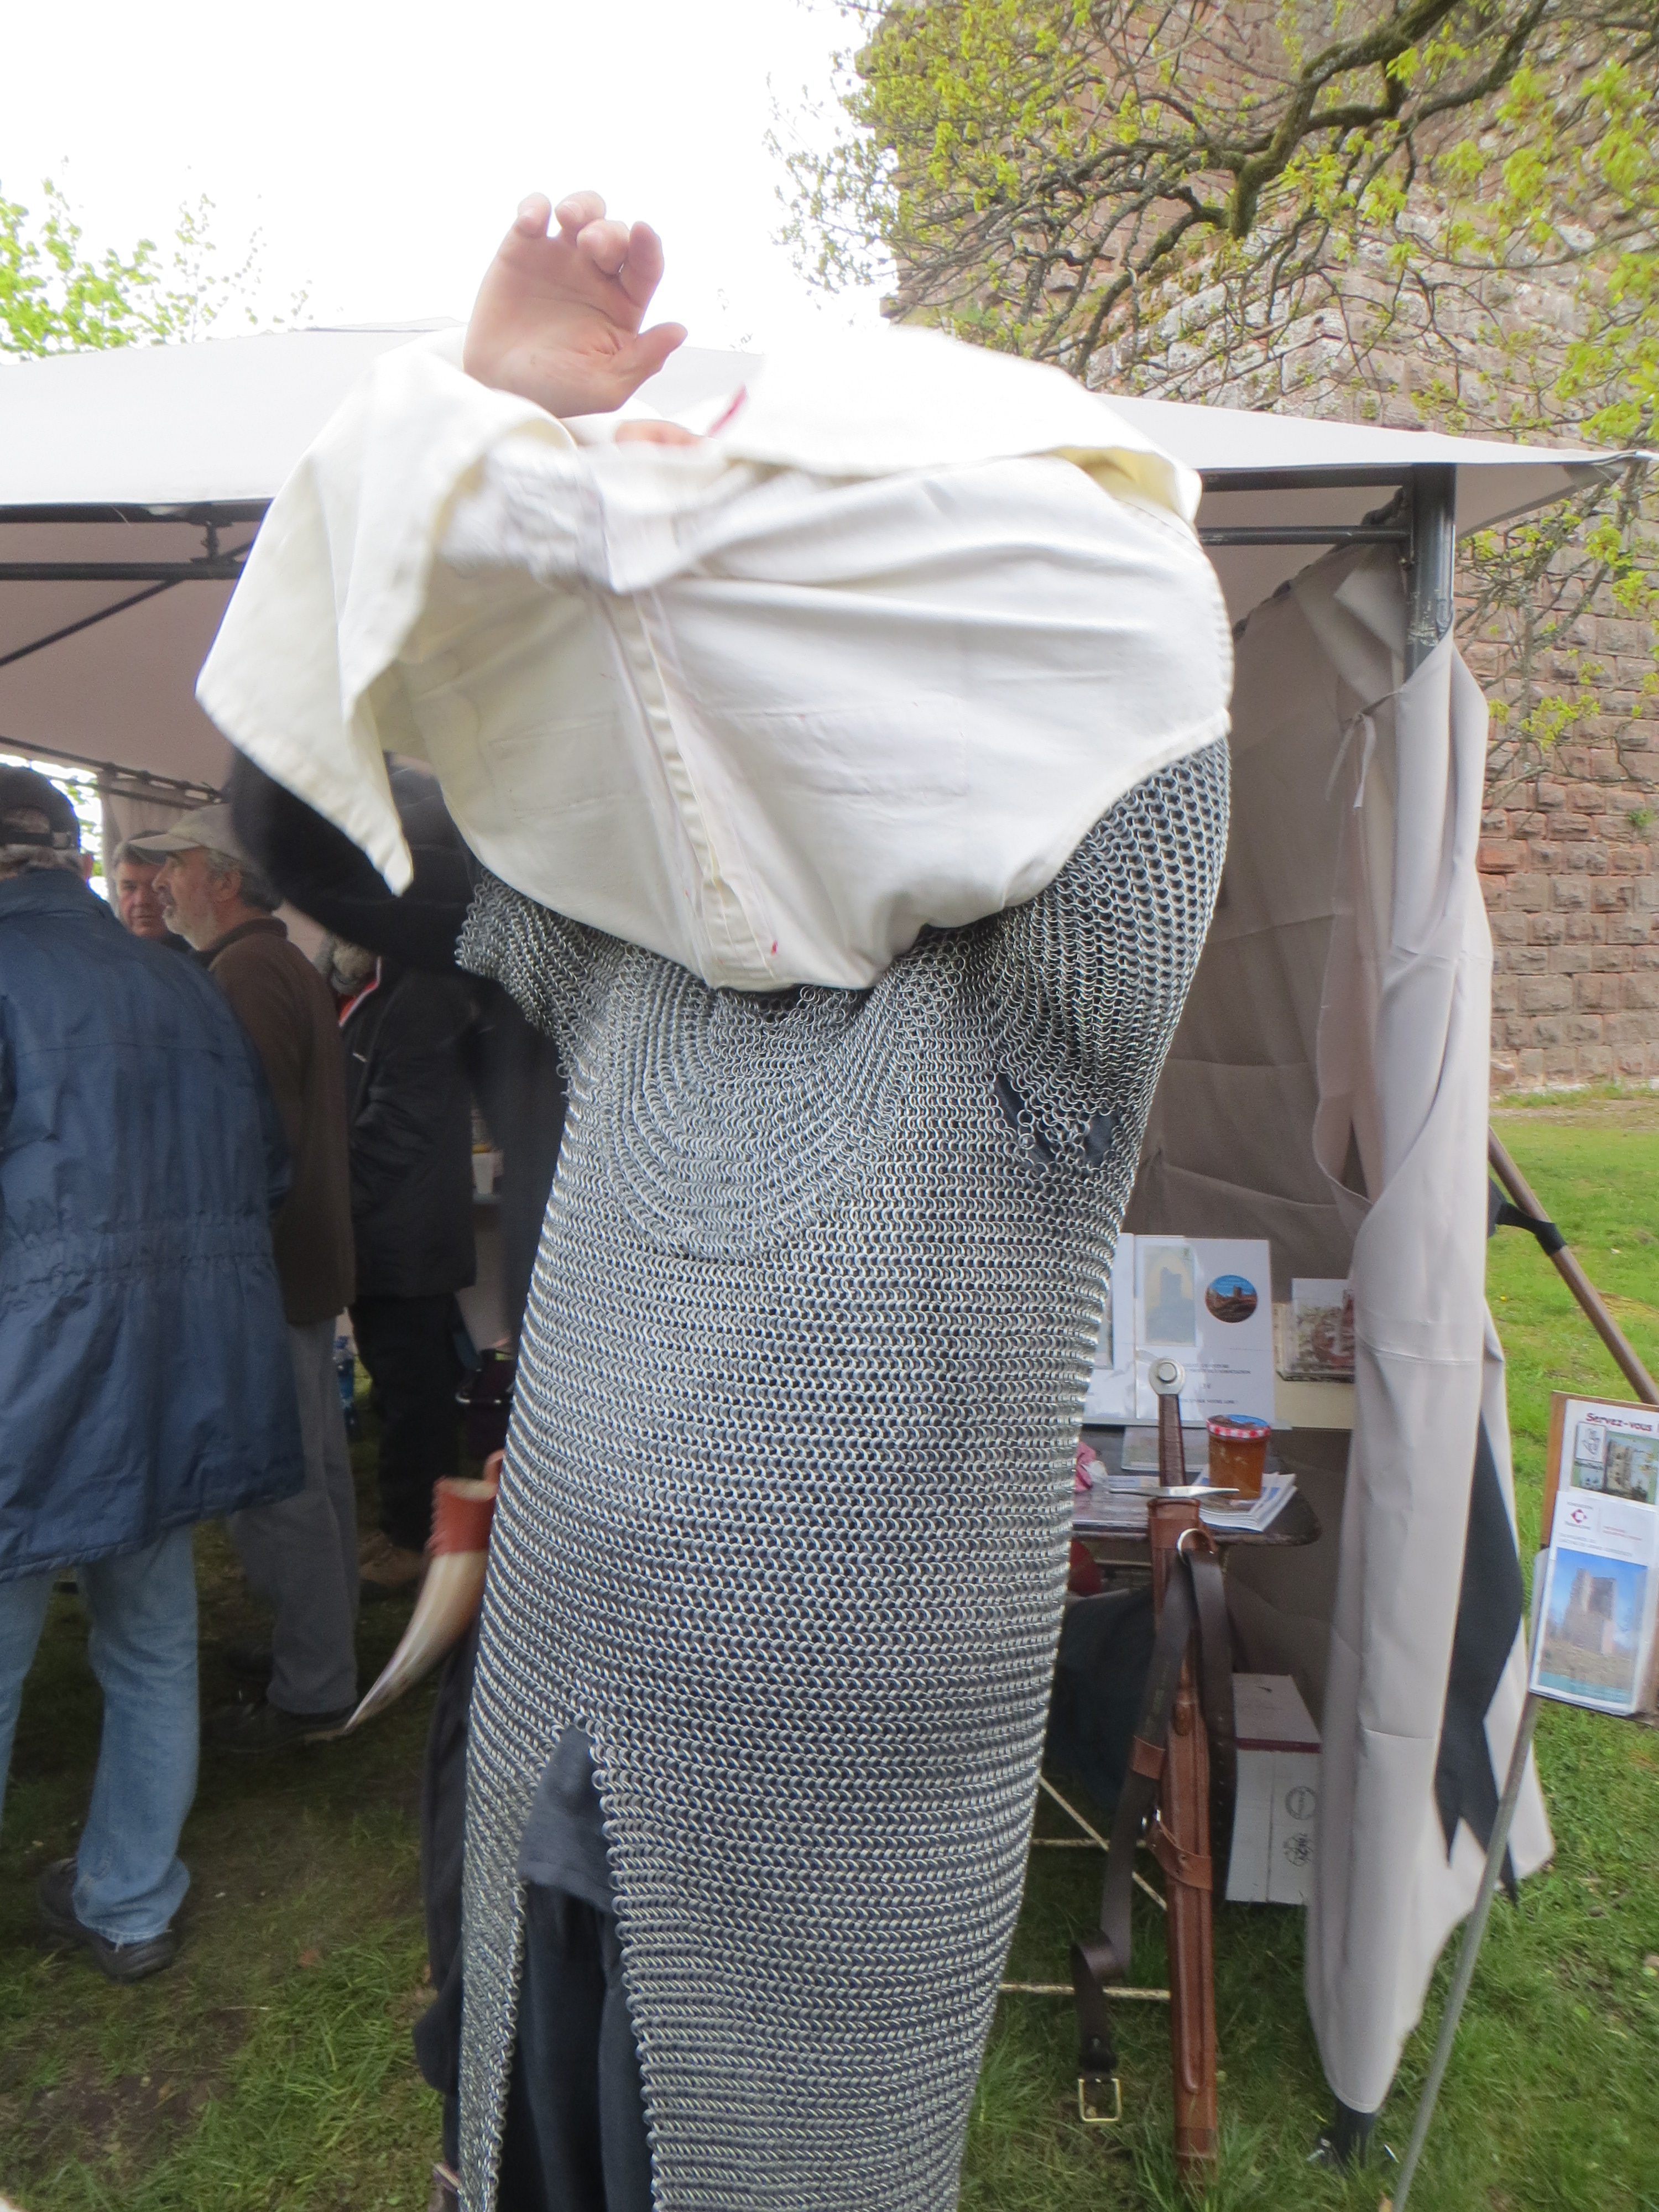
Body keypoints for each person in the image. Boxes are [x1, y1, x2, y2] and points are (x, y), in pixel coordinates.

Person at [208, 192, 1229, 2212]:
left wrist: (766, 509)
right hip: (558, 1719)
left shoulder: (1048, 1004)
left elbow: (1127, 655)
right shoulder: (622, 942)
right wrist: (486, 411)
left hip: (841, 1818)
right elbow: (290, 802)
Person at [0, 767, 302, 1981]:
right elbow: (266, 1165)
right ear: (74, 858)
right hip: (173, 1366)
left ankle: (127, 1894)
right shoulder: (183, 980)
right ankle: (130, 1901)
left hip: (31, 1374)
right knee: (152, 1638)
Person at [134, 804, 359, 1750]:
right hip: (289, 1261)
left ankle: (313, 1687)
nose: (160, 884)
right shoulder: (268, 962)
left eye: (176, 866)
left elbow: (250, 1142)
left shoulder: (247, 973)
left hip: (265, 1268)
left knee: (279, 1490)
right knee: (312, 1476)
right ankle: (321, 1651)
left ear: (225, 878)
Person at [324, 932, 478, 1594]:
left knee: (414, 1396)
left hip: (406, 1238)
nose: (336, 929)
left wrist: (331, 1193)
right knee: (402, 1388)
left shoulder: (419, 994)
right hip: (388, 1232)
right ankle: (412, 1527)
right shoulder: (368, 984)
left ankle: (415, 1539)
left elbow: (398, 1128)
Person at [109, 840, 179, 941]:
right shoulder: (100, 947)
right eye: (130, 888)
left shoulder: (201, 946)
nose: (141, 900)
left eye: (155, 887)